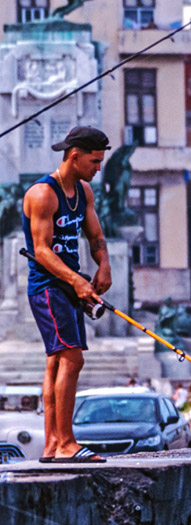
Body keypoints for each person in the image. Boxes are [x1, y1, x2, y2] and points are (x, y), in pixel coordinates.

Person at [23, 126, 112, 463]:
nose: (98, 167)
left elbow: (95, 236)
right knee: (73, 358)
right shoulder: (43, 194)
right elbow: (43, 251)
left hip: (71, 285)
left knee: (56, 362)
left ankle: (51, 445)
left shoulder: (84, 191)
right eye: (94, 161)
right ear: (75, 156)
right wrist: (77, 281)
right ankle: (66, 444)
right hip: (48, 288)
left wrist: (103, 265)